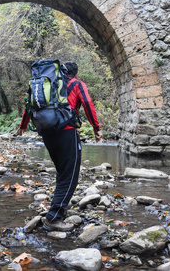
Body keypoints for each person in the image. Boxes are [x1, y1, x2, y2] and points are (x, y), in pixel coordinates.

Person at [17, 61, 103, 232]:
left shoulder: (50, 85)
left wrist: (23, 125)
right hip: (66, 131)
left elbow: (30, 104)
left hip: (47, 131)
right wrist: (96, 128)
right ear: (76, 74)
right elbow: (87, 103)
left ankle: (59, 208)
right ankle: (54, 217)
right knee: (70, 174)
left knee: (61, 171)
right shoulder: (77, 84)